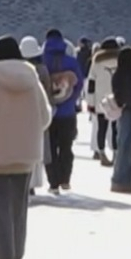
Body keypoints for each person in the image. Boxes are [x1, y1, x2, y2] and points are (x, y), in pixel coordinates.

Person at [0, 36, 52, 259]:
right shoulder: (33, 80)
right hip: (25, 153)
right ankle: (17, 253)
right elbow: (45, 116)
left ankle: (4, 256)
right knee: (19, 209)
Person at [41, 29, 84, 194]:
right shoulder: (71, 62)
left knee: (50, 147)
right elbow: (79, 84)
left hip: (48, 112)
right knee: (66, 147)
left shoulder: (43, 61)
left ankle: (53, 182)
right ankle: (65, 179)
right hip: (67, 112)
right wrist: (71, 101)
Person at [20, 36, 52, 194]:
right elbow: (48, 92)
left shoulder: (18, 70)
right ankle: (33, 183)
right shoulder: (42, 69)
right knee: (36, 150)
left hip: (20, 116)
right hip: (37, 114)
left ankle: (24, 182)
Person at [110, 47, 131, 194]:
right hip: (129, 109)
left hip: (127, 109)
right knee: (127, 146)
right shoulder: (129, 74)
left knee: (129, 145)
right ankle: (121, 179)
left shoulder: (119, 73)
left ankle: (125, 179)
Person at [86, 38, 120, 166]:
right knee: (116, 128)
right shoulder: (121, 60)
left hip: (101, 100)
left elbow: (91, 83)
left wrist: (90, 102)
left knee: (102, 128)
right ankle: (116, 153)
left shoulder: (97, 61)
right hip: (117, 99)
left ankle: (101, 153)